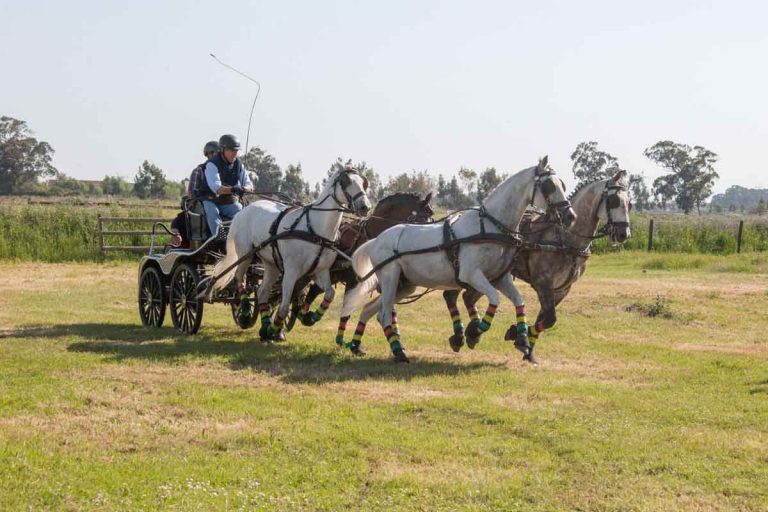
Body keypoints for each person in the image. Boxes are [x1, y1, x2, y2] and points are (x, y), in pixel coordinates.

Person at [197, 134, 254, 237]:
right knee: (212, 212)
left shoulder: (239, 164)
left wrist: (244, 189)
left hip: (227, 201)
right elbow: (217, 188)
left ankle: (242, 238)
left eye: (236, 151)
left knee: (242, 212)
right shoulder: (212, 164)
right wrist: (233, 189)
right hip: (210, 199)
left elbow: (249, 185)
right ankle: (220, 238)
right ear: (223, 150)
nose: (234, 153)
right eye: (231, 150)